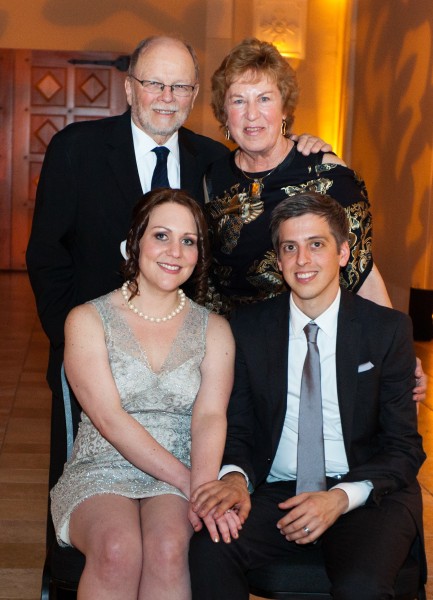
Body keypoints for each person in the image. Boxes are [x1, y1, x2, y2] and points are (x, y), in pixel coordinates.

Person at [25, 34, 330, 493]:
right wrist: (74, 340)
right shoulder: (76, 149)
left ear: (193, 96)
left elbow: (270, 189)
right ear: (129, 89)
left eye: (180, 87)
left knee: (180, 502)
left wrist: (311, 151)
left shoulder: (214, 162)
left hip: (183, 369)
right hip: (99, 360)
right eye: (154, 84)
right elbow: (47, 256)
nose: (167, 98)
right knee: (86, 489)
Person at [188, 191, 426, 600]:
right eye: (290, 248)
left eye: (316, 245)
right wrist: (234, 479)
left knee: (362, 588)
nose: (303, 260)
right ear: (277, 261)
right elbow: (240, 427)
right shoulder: (248, 329)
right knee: (209, 549)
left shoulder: (387, 330)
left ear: (344, 253)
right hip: (277, 489)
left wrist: (338, 498)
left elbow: (403, 447)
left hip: (365, 491)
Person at [204, 36, 426, 401]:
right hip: (238, 351)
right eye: (238, 101)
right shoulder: (211, 178)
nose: (252, 114)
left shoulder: (329, 175)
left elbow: (362, 272)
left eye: (265, 99)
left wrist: (397, 352)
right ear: (224, 113)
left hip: (314, 345)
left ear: (285, 108)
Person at [50, 188, 237, 599]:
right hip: (102, 467)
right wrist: (195, 486)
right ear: (135, 241)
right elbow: (111, 420)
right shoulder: (87, 319)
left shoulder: (215, 330)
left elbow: (210, 417)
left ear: (199, 254)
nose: (175, 251)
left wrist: (203, 488)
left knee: (170, 549)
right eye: (161, 236)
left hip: (182, 471)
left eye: (189, 241)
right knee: (117, 549)